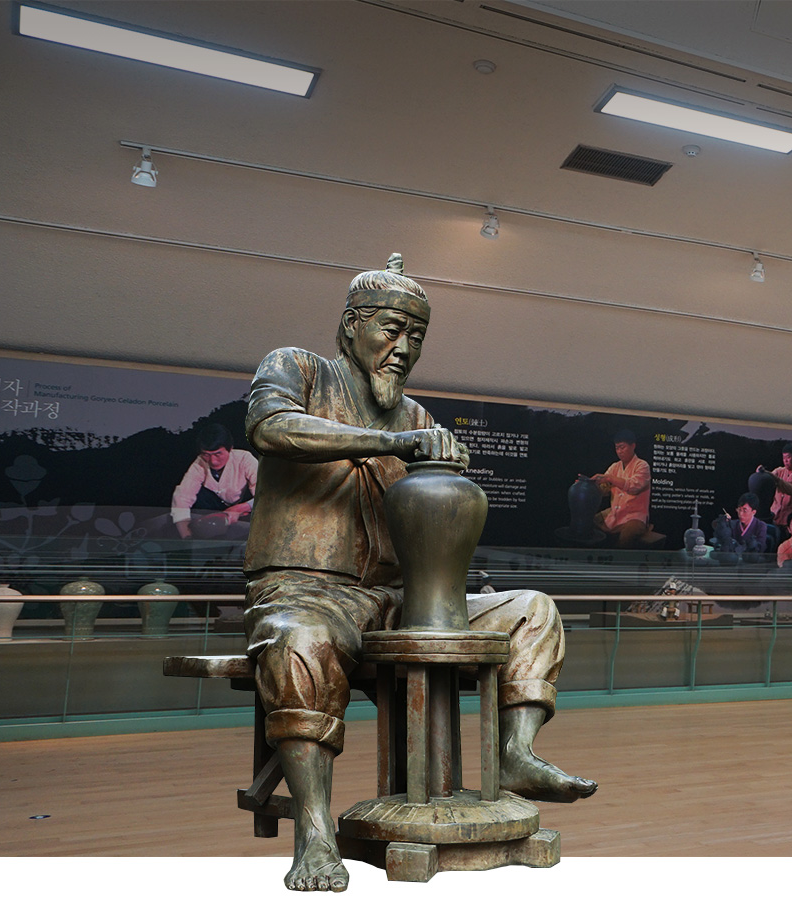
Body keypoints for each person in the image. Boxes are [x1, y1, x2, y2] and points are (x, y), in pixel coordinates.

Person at [241, 255, 594, 892]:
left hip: (402, 599)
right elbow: (270, 428)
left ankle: (514, 754)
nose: (404, 349)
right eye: (391, 330)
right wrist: (388, 444)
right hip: (305, 590)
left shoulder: (418, 417)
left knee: (531, 611)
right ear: (351, 326)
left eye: (418, 337)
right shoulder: (299, 369)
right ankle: (315, 834)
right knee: (300, 642)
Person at [170, 423, 258, 539]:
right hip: (212, 512)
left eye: (218, 454)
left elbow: (266, 493)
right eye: (206, 455)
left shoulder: (244, 458)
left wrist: (240, 508)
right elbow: (182, 497)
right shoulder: (199, 463)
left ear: (230, 448)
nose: (213, 461)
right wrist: (186, 537)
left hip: (245, 511)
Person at [589, 429, 652, 548]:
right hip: (615, 512)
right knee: (589, 521)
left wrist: (609, 478)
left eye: (622, 447)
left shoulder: (642, 465)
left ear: (633, 446)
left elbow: (633, 487)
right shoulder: (615, 466)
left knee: (627, 536)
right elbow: (604, 488)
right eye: (617, 448)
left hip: (635, 515)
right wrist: (590, 484)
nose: (619, 451)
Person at [713, 491, 776, 559]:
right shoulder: (734, 523)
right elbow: (715, 526)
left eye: (744, 511)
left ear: (753, 512)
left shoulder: (760, 526)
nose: (740, 514)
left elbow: (760, 548)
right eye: (739, 510)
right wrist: (722, 522)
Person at [762, 443, 792, 526]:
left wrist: (777, 480)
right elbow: (769, 478)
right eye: (784, 458)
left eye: (788, 457)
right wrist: (763, 472)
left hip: (790, 521)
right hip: (775, 517)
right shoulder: (779, 471)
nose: (785, 461)